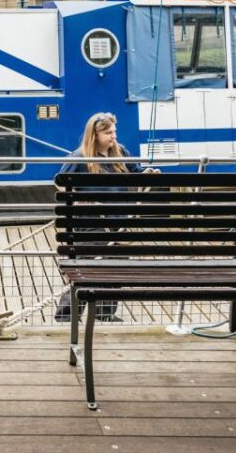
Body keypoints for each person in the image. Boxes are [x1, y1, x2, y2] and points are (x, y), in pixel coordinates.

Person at [54, 112, 160, 322]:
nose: (113, 136)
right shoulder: (80, 157)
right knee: (86, 266)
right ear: (95, 135)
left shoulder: (121, 153)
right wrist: (77, 199)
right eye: (108, 132)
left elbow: (136, 173)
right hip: (91, 222)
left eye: (114, 131)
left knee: (116, 266)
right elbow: (60, 182)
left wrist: (147, 174)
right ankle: (67, 315)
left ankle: (105, 313)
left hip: (118, 220)